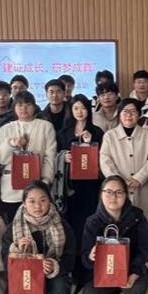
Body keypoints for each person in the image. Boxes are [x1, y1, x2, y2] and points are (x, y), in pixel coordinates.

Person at [1, 181, 76, 294]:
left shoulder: (61, 224)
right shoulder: (14, 227)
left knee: (60, 283)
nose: (38, 206)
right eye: (32, 201)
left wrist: (55, 265)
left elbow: (70, 256)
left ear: (50, 201)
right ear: (24, 203)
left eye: (43, 200)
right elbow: (5, 261)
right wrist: (17, 250)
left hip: (53, 275)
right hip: (27, 276)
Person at [81, 175, 148, 294]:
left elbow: (146, 250)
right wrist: (91, 257)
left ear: (126, 195)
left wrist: (134, 272)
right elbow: (84, 258)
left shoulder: (137, 217)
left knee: (138, 283)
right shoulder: (92, 222)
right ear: (101, 194)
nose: (113, 197)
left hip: (130, 269)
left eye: (119, 192)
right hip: (104, 272)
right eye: (108, 192)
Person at [57, 94, 106, 282]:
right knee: (72, 227)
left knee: (90, 224)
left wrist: (89, 144)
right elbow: (55, 156)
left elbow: (103, 158)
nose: (80, 112)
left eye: (83, 108)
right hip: (70, 188)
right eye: (76, 108)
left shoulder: (97, 131)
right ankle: (74, 268)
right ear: (71, 110)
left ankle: (90, 266)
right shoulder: (63, 132)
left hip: (91, 186)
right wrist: (64, 157)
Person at [0, 90, 57, 222]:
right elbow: (1, 158)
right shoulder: (5, 129)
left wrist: (45, 181)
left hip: (38, 185)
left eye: (27, 104)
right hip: (11, 188)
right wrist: (11, 144)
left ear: (34, 106)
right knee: (14, 224)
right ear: (14, 108)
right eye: (19, 105)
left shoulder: (46, 127)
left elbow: (50, 156)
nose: (23, 108)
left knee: (39, 224)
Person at [100, 98, 148, 226]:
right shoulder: (110, 136)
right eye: (125, 111)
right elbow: (105, 160)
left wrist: (139, 178)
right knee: (119, 224)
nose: (129, 115)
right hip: (117, 188)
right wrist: (118, 181)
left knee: (143, 224)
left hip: (143, 187)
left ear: (139, 114)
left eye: (133, 111)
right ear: (119, 114)